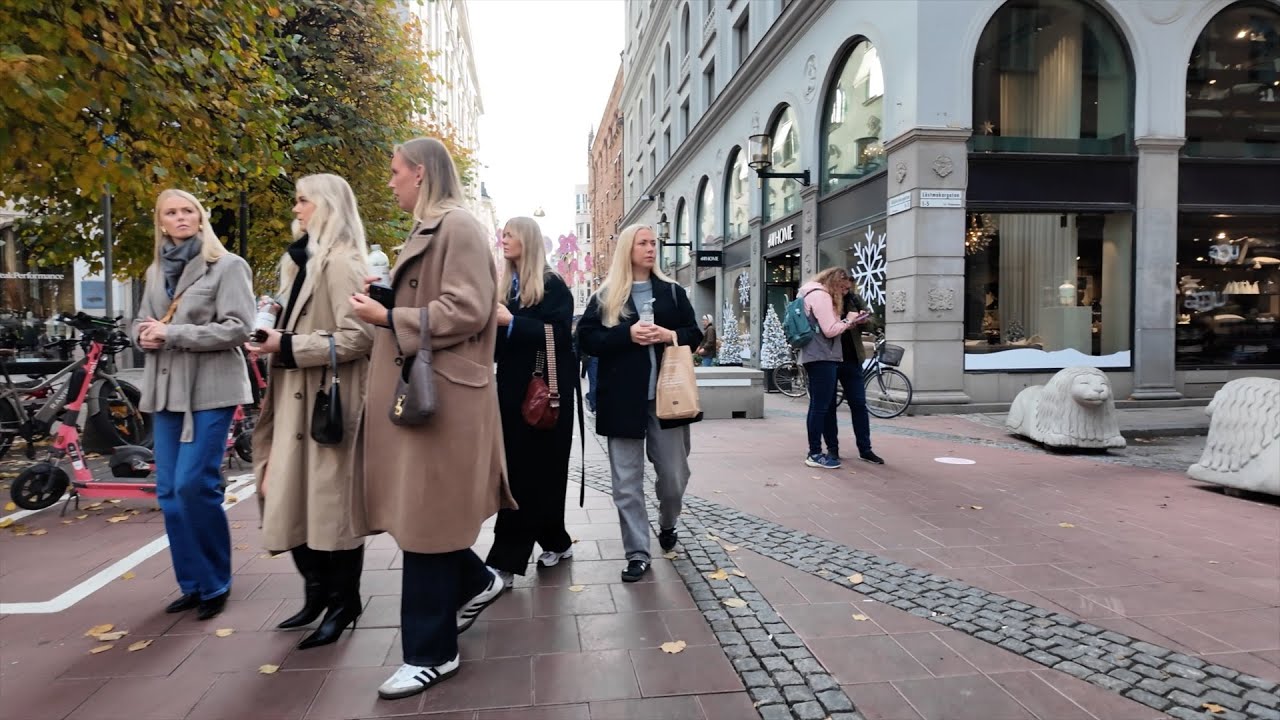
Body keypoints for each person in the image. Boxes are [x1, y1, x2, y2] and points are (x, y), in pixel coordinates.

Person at [348, 137, 515, 700]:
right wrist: (385, 304)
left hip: (444, 400)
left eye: (394, 171)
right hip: (427, 397)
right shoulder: (432, 228)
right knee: (427, 520)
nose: (389, 180)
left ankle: (431, 654)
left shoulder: (458, 226)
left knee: (426, 524)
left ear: (419, 173)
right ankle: (477, 580)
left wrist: (388, 314)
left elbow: (469, 308)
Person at [252, 173, 375, 649]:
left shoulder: (343, 262)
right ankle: (317, 593)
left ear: (325, 206)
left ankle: (343, 601)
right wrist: (268, 336)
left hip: (327, 400)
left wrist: (288, 345)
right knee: (285, 495)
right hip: (292, 396)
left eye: (304, 201)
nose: (296, 209)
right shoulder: (299, 260)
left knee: (331, 507)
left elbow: (360, 337)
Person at [133, 189, 255, 621]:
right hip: (164, 390)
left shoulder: (227, 266)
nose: (181, 217)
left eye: (188, 211)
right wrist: (141, 335)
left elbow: (240, 328)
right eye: (172, 212)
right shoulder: (154, 271)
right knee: (167, 492)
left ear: (201, 219)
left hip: (211, 389)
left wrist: (173, 335)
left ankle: (216, 582)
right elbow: (142, 321)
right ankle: (192, 583)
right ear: (161, 222)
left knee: (193, 485)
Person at [576, 224, 702, 583]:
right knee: (626, 484)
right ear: (627, 249)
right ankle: (637, 552)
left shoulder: (673, 293)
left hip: (669, 400)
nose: (650, 248)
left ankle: (667, 522)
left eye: (653, 243)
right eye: (642, 243)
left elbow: (694, 334)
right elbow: (586, 339)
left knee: (674, 479)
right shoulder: (607, 295)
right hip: (621, 401)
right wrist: (625, 334)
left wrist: (669, 335)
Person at [485, 216, 577, 589]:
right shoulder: (505, 286)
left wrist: (512, 322)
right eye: (502, 234)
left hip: (546, 396)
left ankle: (504, 562)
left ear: (528, 239)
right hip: (510, 393)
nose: (503, 239)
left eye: (510, 234)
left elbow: (560, 335)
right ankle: (557, 540)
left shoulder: (553, 285)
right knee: (527, 473)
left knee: (535, 474)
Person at [795, 267, 861, 470]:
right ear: (834, 283)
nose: (844, 292)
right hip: (823, 356)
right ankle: (814, 453)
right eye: (842, 288)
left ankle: (815, 451)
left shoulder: (807, 293)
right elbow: (830, 330)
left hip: (814, 355)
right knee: (820, 407)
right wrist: (849, 320)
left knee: (818, 405)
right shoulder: (821, 296)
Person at [836, 286, 884, 465]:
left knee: (859, 405)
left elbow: (873, 324)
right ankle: (833, 449)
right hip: (829, 359)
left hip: (852, 359)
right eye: (843, 284)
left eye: (848, 284)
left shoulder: (854, 300)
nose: (845, 288)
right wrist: (845, 322)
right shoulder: (826, 299)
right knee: (827, 408)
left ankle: (865, 449)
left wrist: (863, 321)